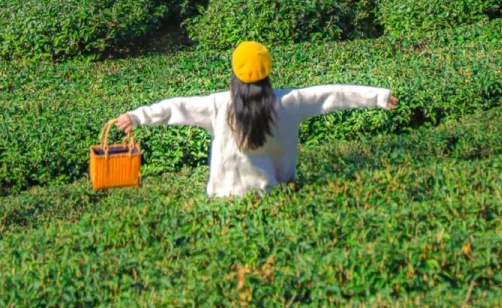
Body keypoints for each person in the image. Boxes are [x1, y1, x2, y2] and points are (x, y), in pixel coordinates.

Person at [114, 40, 397, 200]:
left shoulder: (218, 105)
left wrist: (135, 117)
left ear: (234, 74)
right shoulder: (289, 103)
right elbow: (334, 95)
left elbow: (175, 108)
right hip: (274, 193)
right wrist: (379, 97)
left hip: (222, 195)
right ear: (268, 72)